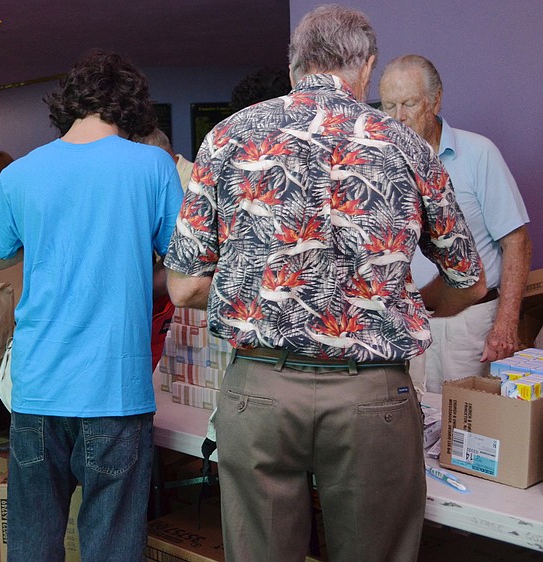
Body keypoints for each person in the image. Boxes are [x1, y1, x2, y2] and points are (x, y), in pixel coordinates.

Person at [164, 6, 487, 562]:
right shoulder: (410, 147)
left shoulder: (227, 138)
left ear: (293, 69)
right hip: (372, 396)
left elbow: (184, 289)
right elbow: (471, 282)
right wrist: (402, 303)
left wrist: (258, 280)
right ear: (366, 68)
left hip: (260, 390)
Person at [0, 50, 182, 561]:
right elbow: (185, 270)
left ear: (67, 106)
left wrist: (38, 242)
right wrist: (127, 273)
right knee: (111, 543)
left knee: (34, 542)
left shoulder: (20, 173)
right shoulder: (152, 165)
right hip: (116, 387)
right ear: (131, 109)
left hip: (38, 386)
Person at [379, 54, 532, 393]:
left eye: (408, 103)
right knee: (411, 430)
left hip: (469, 323)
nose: (398, 118)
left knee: (462, 430)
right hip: (407, 322)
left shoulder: (479, 153)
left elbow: (517, 242)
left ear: (435, 100)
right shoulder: (381, 164)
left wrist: (505, 325)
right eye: (388, 106)